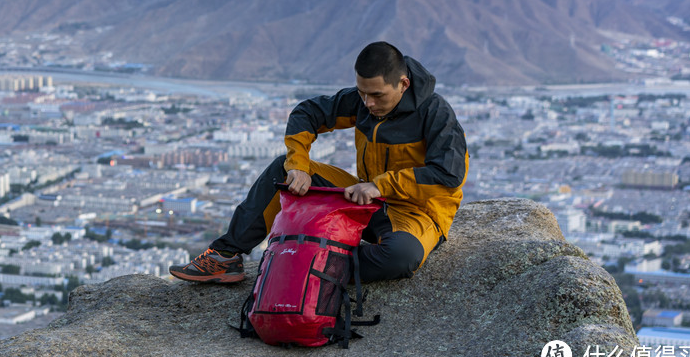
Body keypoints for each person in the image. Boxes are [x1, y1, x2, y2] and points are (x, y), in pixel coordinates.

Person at [169, 41, 467, 284]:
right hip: (365, 200)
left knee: (400, 258)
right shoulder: (363, 102)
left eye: (377, 95)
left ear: (403, 83)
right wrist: (297, 164)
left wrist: (379, 185)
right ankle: (225, 256)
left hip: (417, 214)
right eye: (362, 93)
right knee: (282, 169)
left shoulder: (435, 112)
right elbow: (306, 113)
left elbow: (448, 174)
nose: (368, 103)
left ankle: (308, 266)